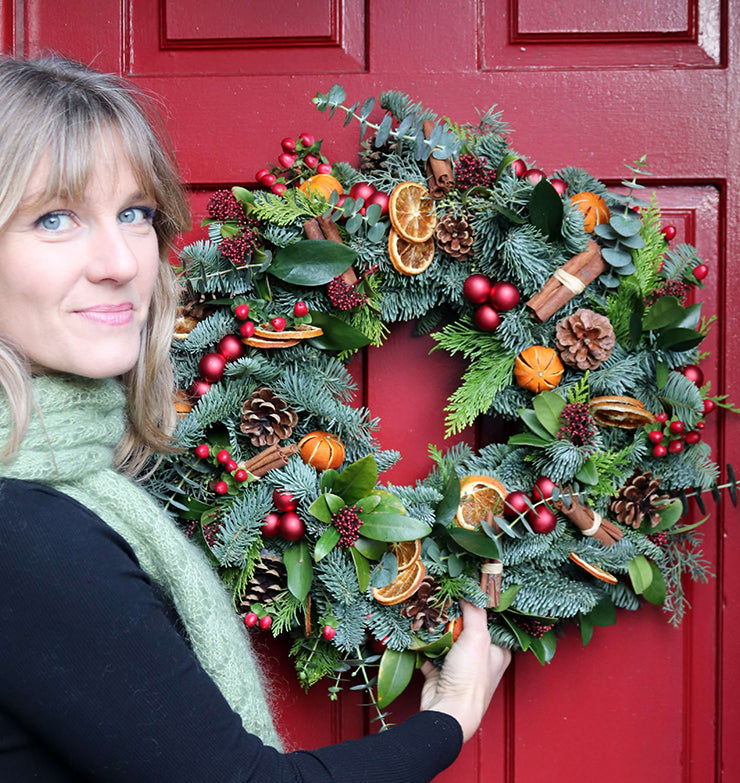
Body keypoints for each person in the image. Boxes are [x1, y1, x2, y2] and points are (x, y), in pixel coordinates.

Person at [0, 55, 510, 782]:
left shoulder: (52, 492)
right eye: (55, 217)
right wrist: (451, 715)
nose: (119, 261)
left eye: (135, 213)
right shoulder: (24, 533)